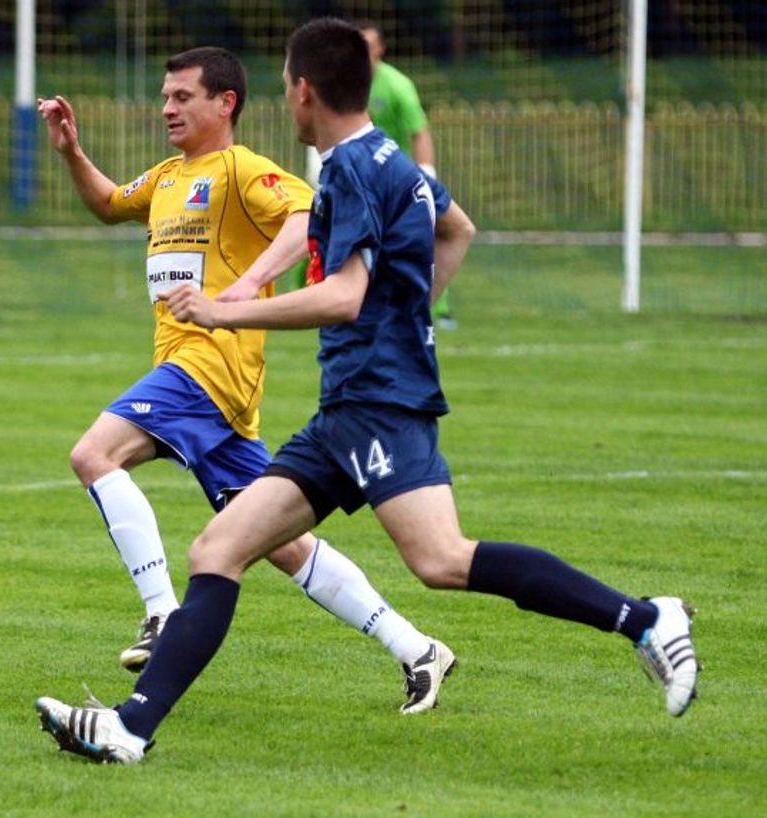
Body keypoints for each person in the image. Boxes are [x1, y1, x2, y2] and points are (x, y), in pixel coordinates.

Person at [35, 19, 699, 765]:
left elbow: (345, 296)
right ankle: (130, 728)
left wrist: (231, 305)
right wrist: (407, 320)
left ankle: (646, 618)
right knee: (219, 548)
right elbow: (458, 230)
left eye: (287, 86)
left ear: (305, 90)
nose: (286, 101)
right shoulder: (394, 161)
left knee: (442, 559)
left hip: (378, 405)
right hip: (346, 410)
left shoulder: (347, 169)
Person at [36, 46, 455, 714]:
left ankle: (161, 612)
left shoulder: (239, 170)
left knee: (94, 453)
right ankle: (417, 649)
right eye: (165, 96)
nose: (167, 107)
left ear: (224, 103)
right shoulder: (171, 176)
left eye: (182, 96)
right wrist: (71, 153)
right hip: (201, 382)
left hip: (208, 366)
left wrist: (250, 283)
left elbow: (305, 210)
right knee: (283, 544)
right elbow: (112, 205)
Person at [355, 19, 454, 330]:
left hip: (396, 181)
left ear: (381, 49)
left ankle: (439, 308)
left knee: (421, 239)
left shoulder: (397, 85)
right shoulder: (344, 83)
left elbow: (419, 132)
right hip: (359, 178)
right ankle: (305, 291)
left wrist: (426, 173)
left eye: (369, 47)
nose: (364, 53)